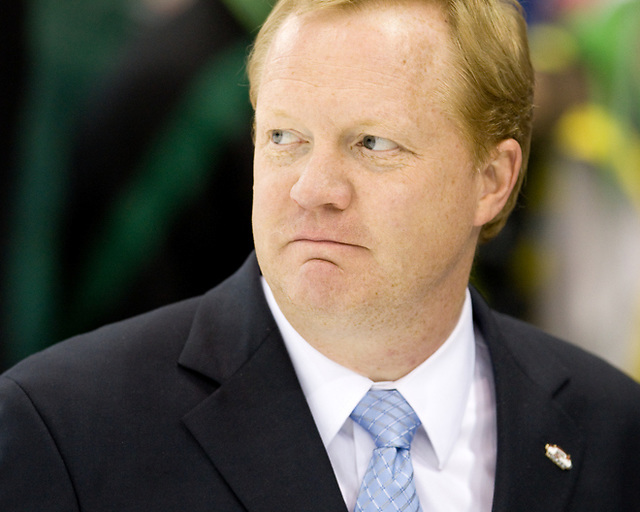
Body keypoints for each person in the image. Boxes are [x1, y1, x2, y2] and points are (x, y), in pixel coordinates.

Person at [1, 0, 639, 510]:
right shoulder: (65, 432)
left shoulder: (617, 434)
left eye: (372, 142)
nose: (312, 190)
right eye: (284, 137)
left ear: (493, 180)